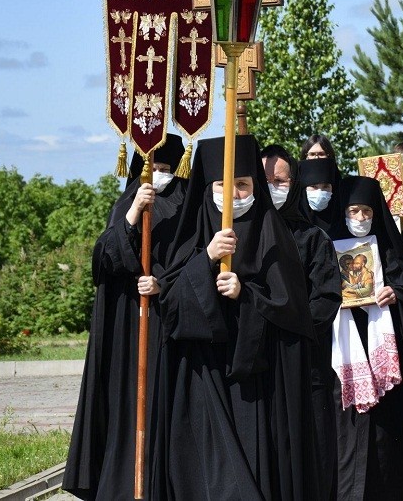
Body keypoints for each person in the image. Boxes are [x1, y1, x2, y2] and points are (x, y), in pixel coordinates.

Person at [150, 134, 319, 500]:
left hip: (256, 387)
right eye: (223, 185)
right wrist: (206, 260)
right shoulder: (192, 238)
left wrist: (246, 296)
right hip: (204, 377)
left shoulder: (275, 240)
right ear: (208, 187)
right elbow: (171, 310)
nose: (234, 194)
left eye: (242, 184)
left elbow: (293, 318)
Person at [64, 133, 187, 501]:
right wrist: (134, 212)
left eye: (166, 168)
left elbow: (194, 263)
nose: (159, 174)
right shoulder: (126, 204)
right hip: (129, 325)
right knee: (128, 404)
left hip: (169, 321)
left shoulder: (187, 208)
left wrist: (163, 284)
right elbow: (104, 260)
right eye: (153, 167)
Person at [329, 176, 403, 500]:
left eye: (367, 211)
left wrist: (396, 293)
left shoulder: (391, 249)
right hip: (346, 354)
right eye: (353, 211)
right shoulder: (327, 247)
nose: (360, 218)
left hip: (387, 364)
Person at [261, 143, 343, 500]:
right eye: (265, 181)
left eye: (280, 181)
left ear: (294, 184)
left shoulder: (312, 238)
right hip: (259, 372)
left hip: (304, 366)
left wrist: (287, 330)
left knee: (311, 463)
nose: (273, 188)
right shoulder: (241, 237)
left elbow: (326, 299)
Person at [299, 156, 343, 234]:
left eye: (325, 186)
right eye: (313, 186)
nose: (320, 192)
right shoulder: (293, 225)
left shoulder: (344, 223)